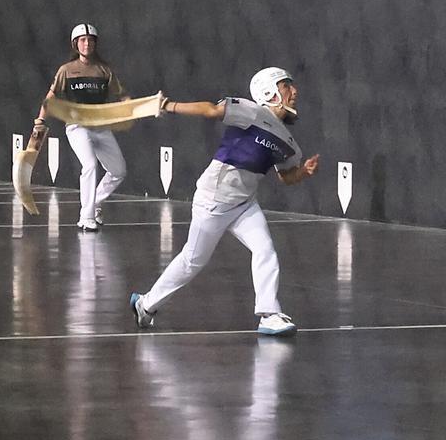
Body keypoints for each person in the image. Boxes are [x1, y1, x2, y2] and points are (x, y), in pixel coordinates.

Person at [129, 67, 320, 336]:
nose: (295, 91)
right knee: (192, 261)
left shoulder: (290, 143)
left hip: (244, 204)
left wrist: (303, 172)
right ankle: (146, 304)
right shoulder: (251, 112)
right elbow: (210, 110)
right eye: (287, 85)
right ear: (269, 90)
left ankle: (269, 314)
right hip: (213, 200)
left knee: (265, 250)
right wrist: (166, 105)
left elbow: (285, 176)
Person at [36, 23, 128, 232]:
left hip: (100, 126)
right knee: (89, 165)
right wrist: (40, 120)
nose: (87, 44)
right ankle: (86, 217)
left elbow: (123, 96)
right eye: (83, 40)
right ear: (76, 44)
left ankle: (94, 204)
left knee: (118, 170)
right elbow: (51, 98)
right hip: (77, 127)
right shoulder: (66, 70)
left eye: (91, 40)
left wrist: (133, 109)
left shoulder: (105, 70)